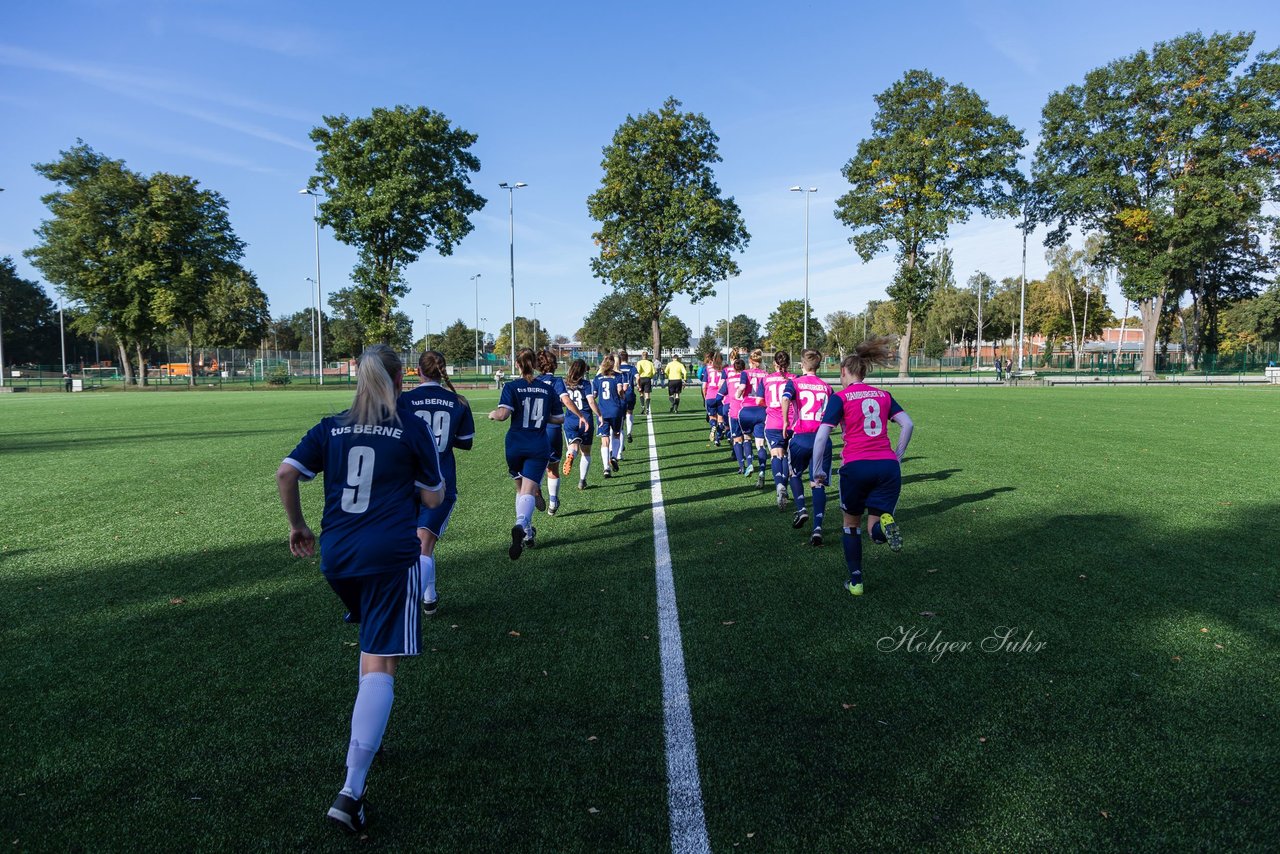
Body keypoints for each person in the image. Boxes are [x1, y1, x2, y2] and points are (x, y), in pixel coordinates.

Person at [276, 344, 446, 833]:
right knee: (381, 660)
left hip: (338, 559)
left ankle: (366, 738)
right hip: (390, 555)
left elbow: (286, 472)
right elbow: (433, 495)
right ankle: (351, 790)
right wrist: (412, 483)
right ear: (397, 380)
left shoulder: (330, 425)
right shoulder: (409, 426)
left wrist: (298, 526)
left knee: (370, 641)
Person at [812, 337, 914, 597]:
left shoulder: (841, 397)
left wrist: (817, 471)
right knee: (874, 530)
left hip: (856, 467)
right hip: (887, 467)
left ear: (844, 372)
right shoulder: (883, 395)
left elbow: (822, 436)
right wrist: (897, 456)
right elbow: (908, 424)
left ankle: (856, 582)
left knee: (851, 525)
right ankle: (884, 527)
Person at [399, 350, 475, 616]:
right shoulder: (458, 401)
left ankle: (428, 597)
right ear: (444, 371)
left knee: (415, 543)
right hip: (439, 480)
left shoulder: (404, 400)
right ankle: (419, 601)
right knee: (424, 544)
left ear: (418, 370)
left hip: (404, 481)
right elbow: (465, 442)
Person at [488, 349, 564, 559]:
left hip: (514, 444)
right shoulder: (547, 389)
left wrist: (493, 414)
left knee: (521, 488)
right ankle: (521, 524)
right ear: (535, 365)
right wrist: (542, 418)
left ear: (519, 365)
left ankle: (528, 533)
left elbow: (503, 415)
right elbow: (559, 419)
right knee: (528, 490)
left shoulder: (511, 386)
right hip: (537, 444)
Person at [782, 349, 835, 545]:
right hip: (822, 439)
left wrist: (786, 423)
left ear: (802, 365)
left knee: (794, 473)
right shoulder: (827, 387)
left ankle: (802, 508)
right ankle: (818, 528)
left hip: (801, 436)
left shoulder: (794, 382)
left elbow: (786, 398)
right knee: (818, 483)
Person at [535, 350, 589, 515]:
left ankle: (535, 488)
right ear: (554, 364)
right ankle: (553, 503)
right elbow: (566, 400)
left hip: (534, 429)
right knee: (553, 468)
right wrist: (580, 415)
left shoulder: (533, 381)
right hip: (552, 429)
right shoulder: (556, 381)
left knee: (536, 466)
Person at [761, 350, 797, 509]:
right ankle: (785, 485)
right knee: (788, 457)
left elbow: (760, 400)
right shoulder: (794, 379)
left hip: (773, 423)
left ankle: (779, 486)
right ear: (788, 364)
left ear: (774, 364)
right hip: (792, 423)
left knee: (777, 455)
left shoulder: (766, 379)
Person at [561, 359, 599, 489]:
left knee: (573, 447)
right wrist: (600, 415)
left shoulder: (565, 384)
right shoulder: (587, 384)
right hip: (586, 420)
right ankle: (582, 480)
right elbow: (591, 402)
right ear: (584, 370)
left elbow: (562, 402)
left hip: (570, 419)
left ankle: (571, 455)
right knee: (586, 453)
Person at [735, 348, 769, 489]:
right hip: (762, 410)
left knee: (747, 438)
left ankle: (749, 464)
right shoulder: (766, 375)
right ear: (760, 362)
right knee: (760, 444)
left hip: (747, 410)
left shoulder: (745, 373)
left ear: (750, 361)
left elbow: (742, 387)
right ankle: (762, 472)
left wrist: (738, 394)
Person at [592, 355, 628, 478]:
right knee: (617, 434)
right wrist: (622, 396)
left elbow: (594, 395)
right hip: (616, 410)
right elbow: (620, 390)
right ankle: (613, 456)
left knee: (604, 440)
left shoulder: (597, 378)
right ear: (613, 364)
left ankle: (606, 468)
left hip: (602, 412)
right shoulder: (618, 376)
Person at [718, 357, 750, 474]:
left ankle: (741, 466)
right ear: (744, 368)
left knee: (737, 438)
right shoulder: (749, 378)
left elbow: (718, 396)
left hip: (734, 411)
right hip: (747, 411)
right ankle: (750, 462)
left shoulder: (729, 380)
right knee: (747, 438)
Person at [615, 350, 639, 448]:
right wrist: (638, 385)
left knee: (620, 419)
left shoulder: (617, 368)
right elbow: (638, 377)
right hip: (629, 393)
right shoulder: (632, 368)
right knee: (629, 413)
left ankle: (621, 443)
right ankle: (629, 432)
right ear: (627, 358)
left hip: (619, 394)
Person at [702, 354, 726, 446]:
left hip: (710, 396)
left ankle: (712, 426)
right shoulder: (724, 370)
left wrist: (705, 397)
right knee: (721, 420)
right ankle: (717, 439)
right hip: (720, 396)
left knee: (712, 418)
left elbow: (704, 386)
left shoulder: (708, 369)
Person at [635, 350, 656, 415]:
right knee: (647, 395)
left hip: (641, 378)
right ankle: (647, 408)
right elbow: (654, 372)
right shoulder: (650, 363)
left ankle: (642, 407)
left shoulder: (639, 362)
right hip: (647, 379)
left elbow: (638, 371)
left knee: (641, 394)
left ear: (642, 356)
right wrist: (651, 376)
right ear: (647, 356)